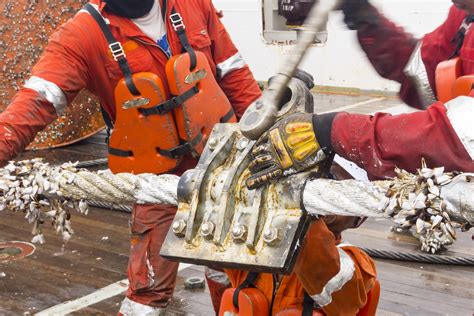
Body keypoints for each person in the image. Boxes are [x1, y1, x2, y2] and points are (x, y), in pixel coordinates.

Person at [0, 0, 261, 314]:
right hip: (156, 181)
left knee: (235, 272)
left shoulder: (194, 5)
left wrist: (268, 140)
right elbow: (37, 102)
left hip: (222, 166)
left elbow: (235, 76)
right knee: (146, 295)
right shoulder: (83, 35)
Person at [227, 1, 473, 315]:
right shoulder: (466, 17)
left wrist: (332, 130)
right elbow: (419, 72)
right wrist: (359, 11)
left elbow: (461, 137)